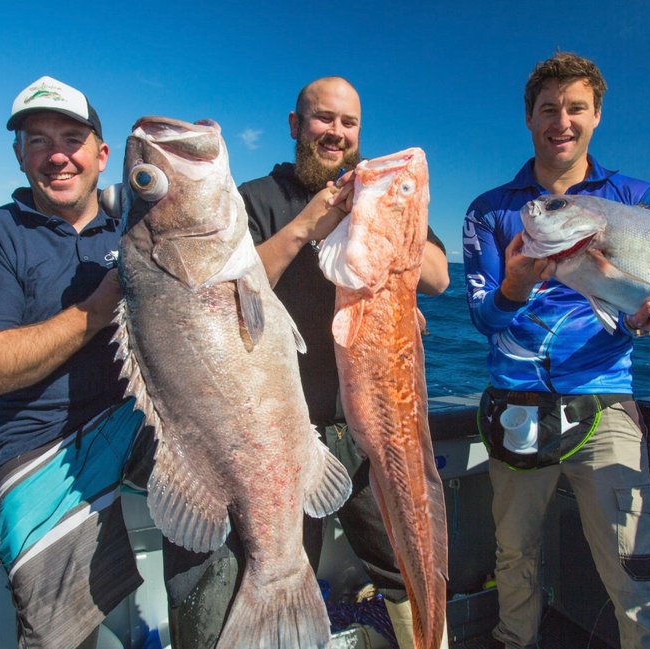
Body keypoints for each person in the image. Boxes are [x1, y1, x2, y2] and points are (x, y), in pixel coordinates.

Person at [162, 75, 450, 648]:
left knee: (406, 563)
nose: (336, 133)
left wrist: (384, 227)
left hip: (368, 427)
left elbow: (439, 276)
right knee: (287, 568)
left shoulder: (372, 190)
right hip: (285, 437)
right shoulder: (253, 199)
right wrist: (305, 228)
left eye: (348, 123)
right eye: (323, 119)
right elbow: (223, 295)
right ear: (296, 126)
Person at [462, 52, 650, 649]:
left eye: (575, 108)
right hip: (515, 405)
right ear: (529, 118)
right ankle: (515, 641)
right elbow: (485, 317)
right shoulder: (490, 210)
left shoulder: (636, 198)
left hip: (606, 401)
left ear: (596, 117)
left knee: (633, 563)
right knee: (514, 556)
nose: (561, 121)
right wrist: (516, 285)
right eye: (548, 109)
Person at [0, 76, 146, 649]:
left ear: (102, 155)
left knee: (228, 505)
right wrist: (97, 308)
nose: (57, 155)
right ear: (19, 155)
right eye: (38, 141)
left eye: (72, 138)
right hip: (42, 444)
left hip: (146, 422)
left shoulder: (138, 227)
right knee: (58, 629)